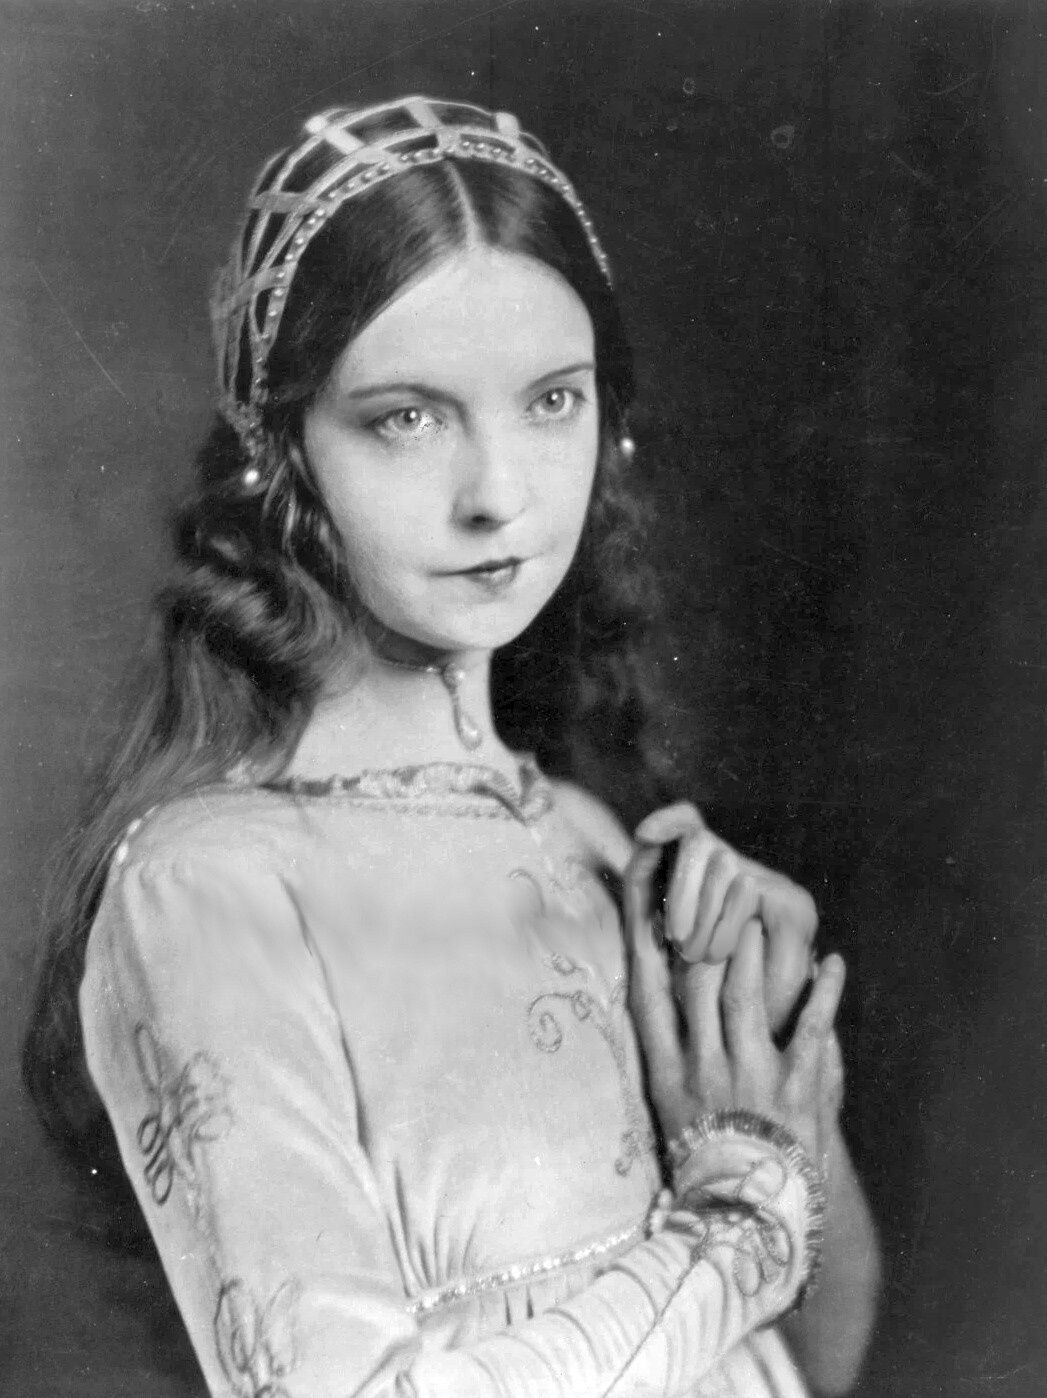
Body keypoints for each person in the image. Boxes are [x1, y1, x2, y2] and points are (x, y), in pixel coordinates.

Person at [23, 96, 879, 1397]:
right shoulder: (208, 892)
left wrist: (765, 1052)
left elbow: (815, 1361)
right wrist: (740, 1222)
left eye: (551, 401)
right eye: (408, 418)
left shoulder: (587, 837)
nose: (499, 493)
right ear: (280, 453)